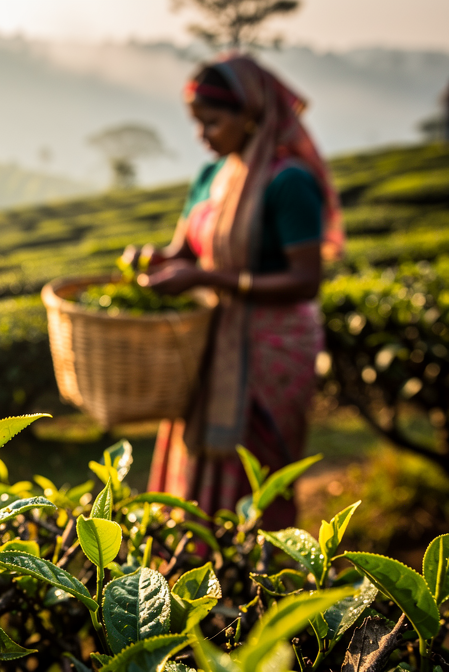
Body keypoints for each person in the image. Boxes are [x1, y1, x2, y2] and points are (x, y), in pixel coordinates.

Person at [121, 54, 344, 528]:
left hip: (271, 346)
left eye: (214, 123)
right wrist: (153, 259)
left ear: (252, 115)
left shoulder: (289, 183)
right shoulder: (210, 176)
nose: (203, 136)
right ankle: (192, 564)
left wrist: (208, 279)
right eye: (197, 124)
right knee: (194, 450)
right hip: (213, 341)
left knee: (253, 463)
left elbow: (306, 280)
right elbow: (184, 251)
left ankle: (257, 578)